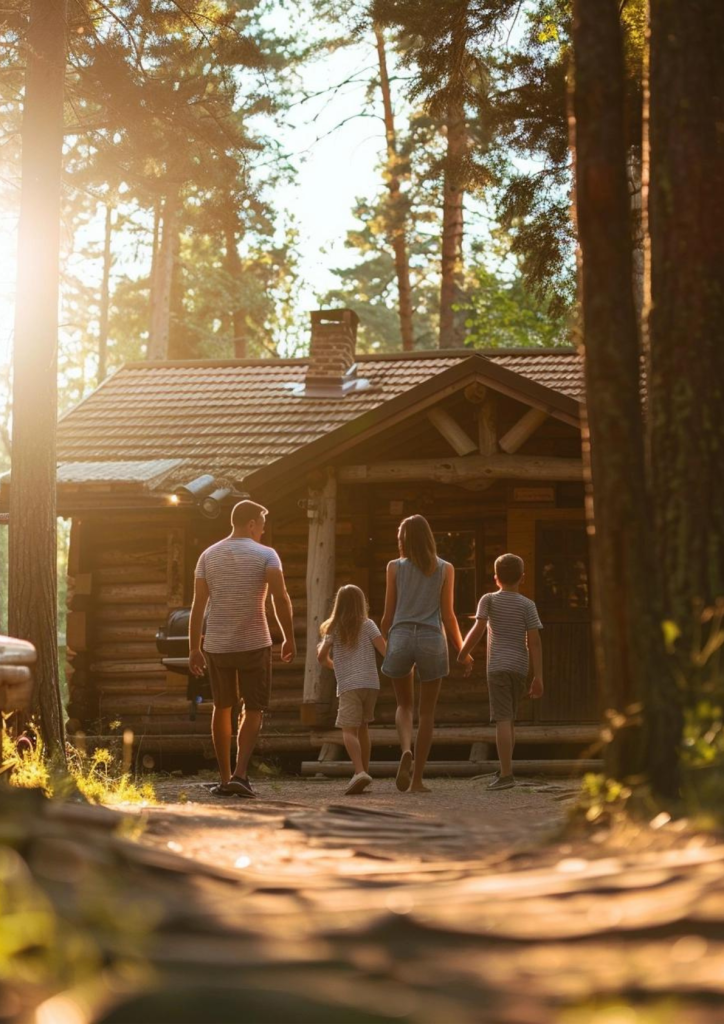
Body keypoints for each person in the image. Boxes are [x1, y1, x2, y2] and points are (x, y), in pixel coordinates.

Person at [189, 499, 295, 797]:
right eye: (261, 524)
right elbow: (281, 599)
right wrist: (289, 636)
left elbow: (198, 606)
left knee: (222, 706)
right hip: (254, 643)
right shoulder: (267, 556)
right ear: (251, 524)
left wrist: (194, 647)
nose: (262, 530)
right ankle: (240, 774)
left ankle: (224, 779)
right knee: (254, 707)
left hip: (217, 644)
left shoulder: (208, 556)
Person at [381, 514, 473, 794]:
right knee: (428, 712)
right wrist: (463, 651)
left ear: (403, 540)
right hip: (432, 637)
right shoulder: (445, 568)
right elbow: (449, 616)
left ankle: (405, 749)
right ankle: (418, 780)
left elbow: (388, 614)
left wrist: (385, 639)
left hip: (401, 635)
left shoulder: (394, 567)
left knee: (403, 705)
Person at [457, 552, 543, 791]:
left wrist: (462, 654)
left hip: (497, 667)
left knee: (502, 720)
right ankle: (507, 768)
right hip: (519, 667)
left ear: (496, 578)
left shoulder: (489, 600)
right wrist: (538, 676)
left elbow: (478, 628)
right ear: (522, 578)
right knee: (510, 719)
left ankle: (506, 775)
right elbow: (535, 642)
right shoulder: (528, 605)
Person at [317, 584, 387, 796]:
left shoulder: (334, 627)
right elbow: (384, 650)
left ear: (339, 604)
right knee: (363, 728)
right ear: (360, 603)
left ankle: (358, 772)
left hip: (349, 684)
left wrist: (334, 665)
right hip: (371, 684)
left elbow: (321, 657)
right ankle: (364, 771)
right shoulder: (369, 624)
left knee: (348, 730)